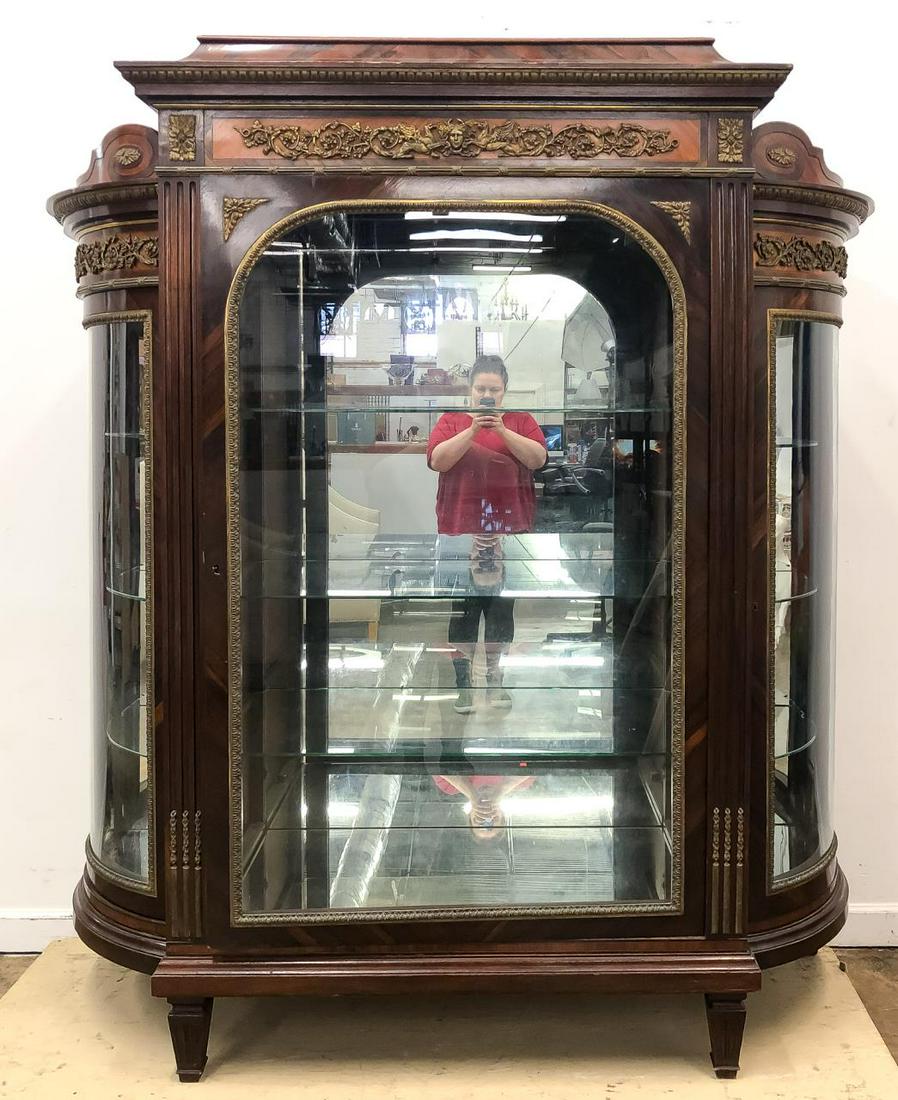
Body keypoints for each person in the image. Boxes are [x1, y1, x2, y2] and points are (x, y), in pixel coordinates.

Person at [426, 355, 547, 714]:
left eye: (494, 389)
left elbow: (537, 459)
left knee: (500, 609)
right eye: (481, 389)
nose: (487, 395)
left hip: (510, 528)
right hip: (459, 527)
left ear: (504, 391)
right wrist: (475, 429)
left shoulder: (522, 421)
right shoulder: (451, 421)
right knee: (462, 608)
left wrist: (502, 430)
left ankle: (495, 679)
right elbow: (438, 460)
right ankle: (463, 682)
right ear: (470, 390)